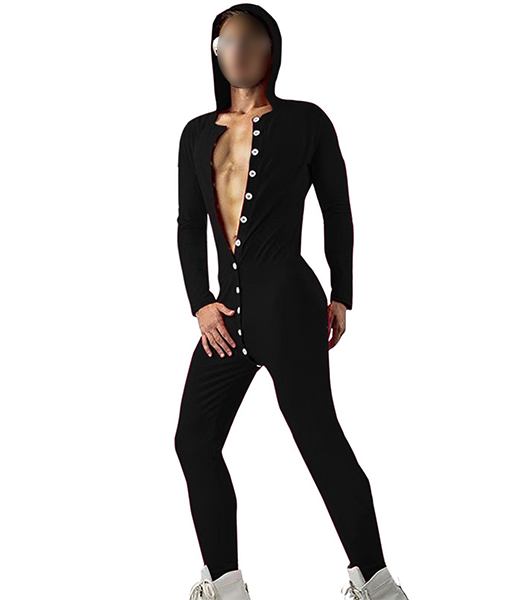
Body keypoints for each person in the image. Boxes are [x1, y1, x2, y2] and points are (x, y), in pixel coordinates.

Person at [174, 4, 410, 599]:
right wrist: (200, 303)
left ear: (272, 49)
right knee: (194, 441)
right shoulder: (196, 132)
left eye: (252, 38)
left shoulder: (307, 120)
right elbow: (188, 224)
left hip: (289, 303)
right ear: (215, 52)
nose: (239, 49)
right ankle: (225, 584)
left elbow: (338, 210)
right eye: (226, 40)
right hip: (226, 315)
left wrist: (342, 293)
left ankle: (377, 583)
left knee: (318, 438)